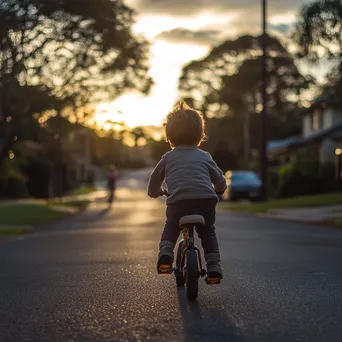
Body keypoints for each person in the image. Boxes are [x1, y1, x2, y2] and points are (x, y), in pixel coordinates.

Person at [147, 102, 227, 280]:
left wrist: (154, 192)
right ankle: (213, 266)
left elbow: (154, 180)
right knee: (207, 232)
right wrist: (220, 189)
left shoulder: (167, 158)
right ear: (200, 135)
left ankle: (165, 254)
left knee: (172, 226)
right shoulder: (205, 157)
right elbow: (219, 179)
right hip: (205, 202)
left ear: (170, 137)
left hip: (179, 203)